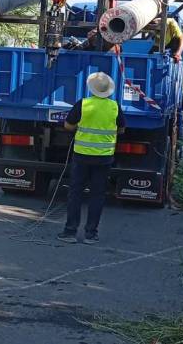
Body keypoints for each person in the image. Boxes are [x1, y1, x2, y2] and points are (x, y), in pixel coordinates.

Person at [58, 72, 126, 244]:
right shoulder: (114, 107)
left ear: (92, 89)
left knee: (75, 193)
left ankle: (70, 232)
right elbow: (121, 129)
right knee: (97, 195)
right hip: (104, 158)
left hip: (81, 156)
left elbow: (68, 125)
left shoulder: (83, 104)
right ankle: (91, 234)